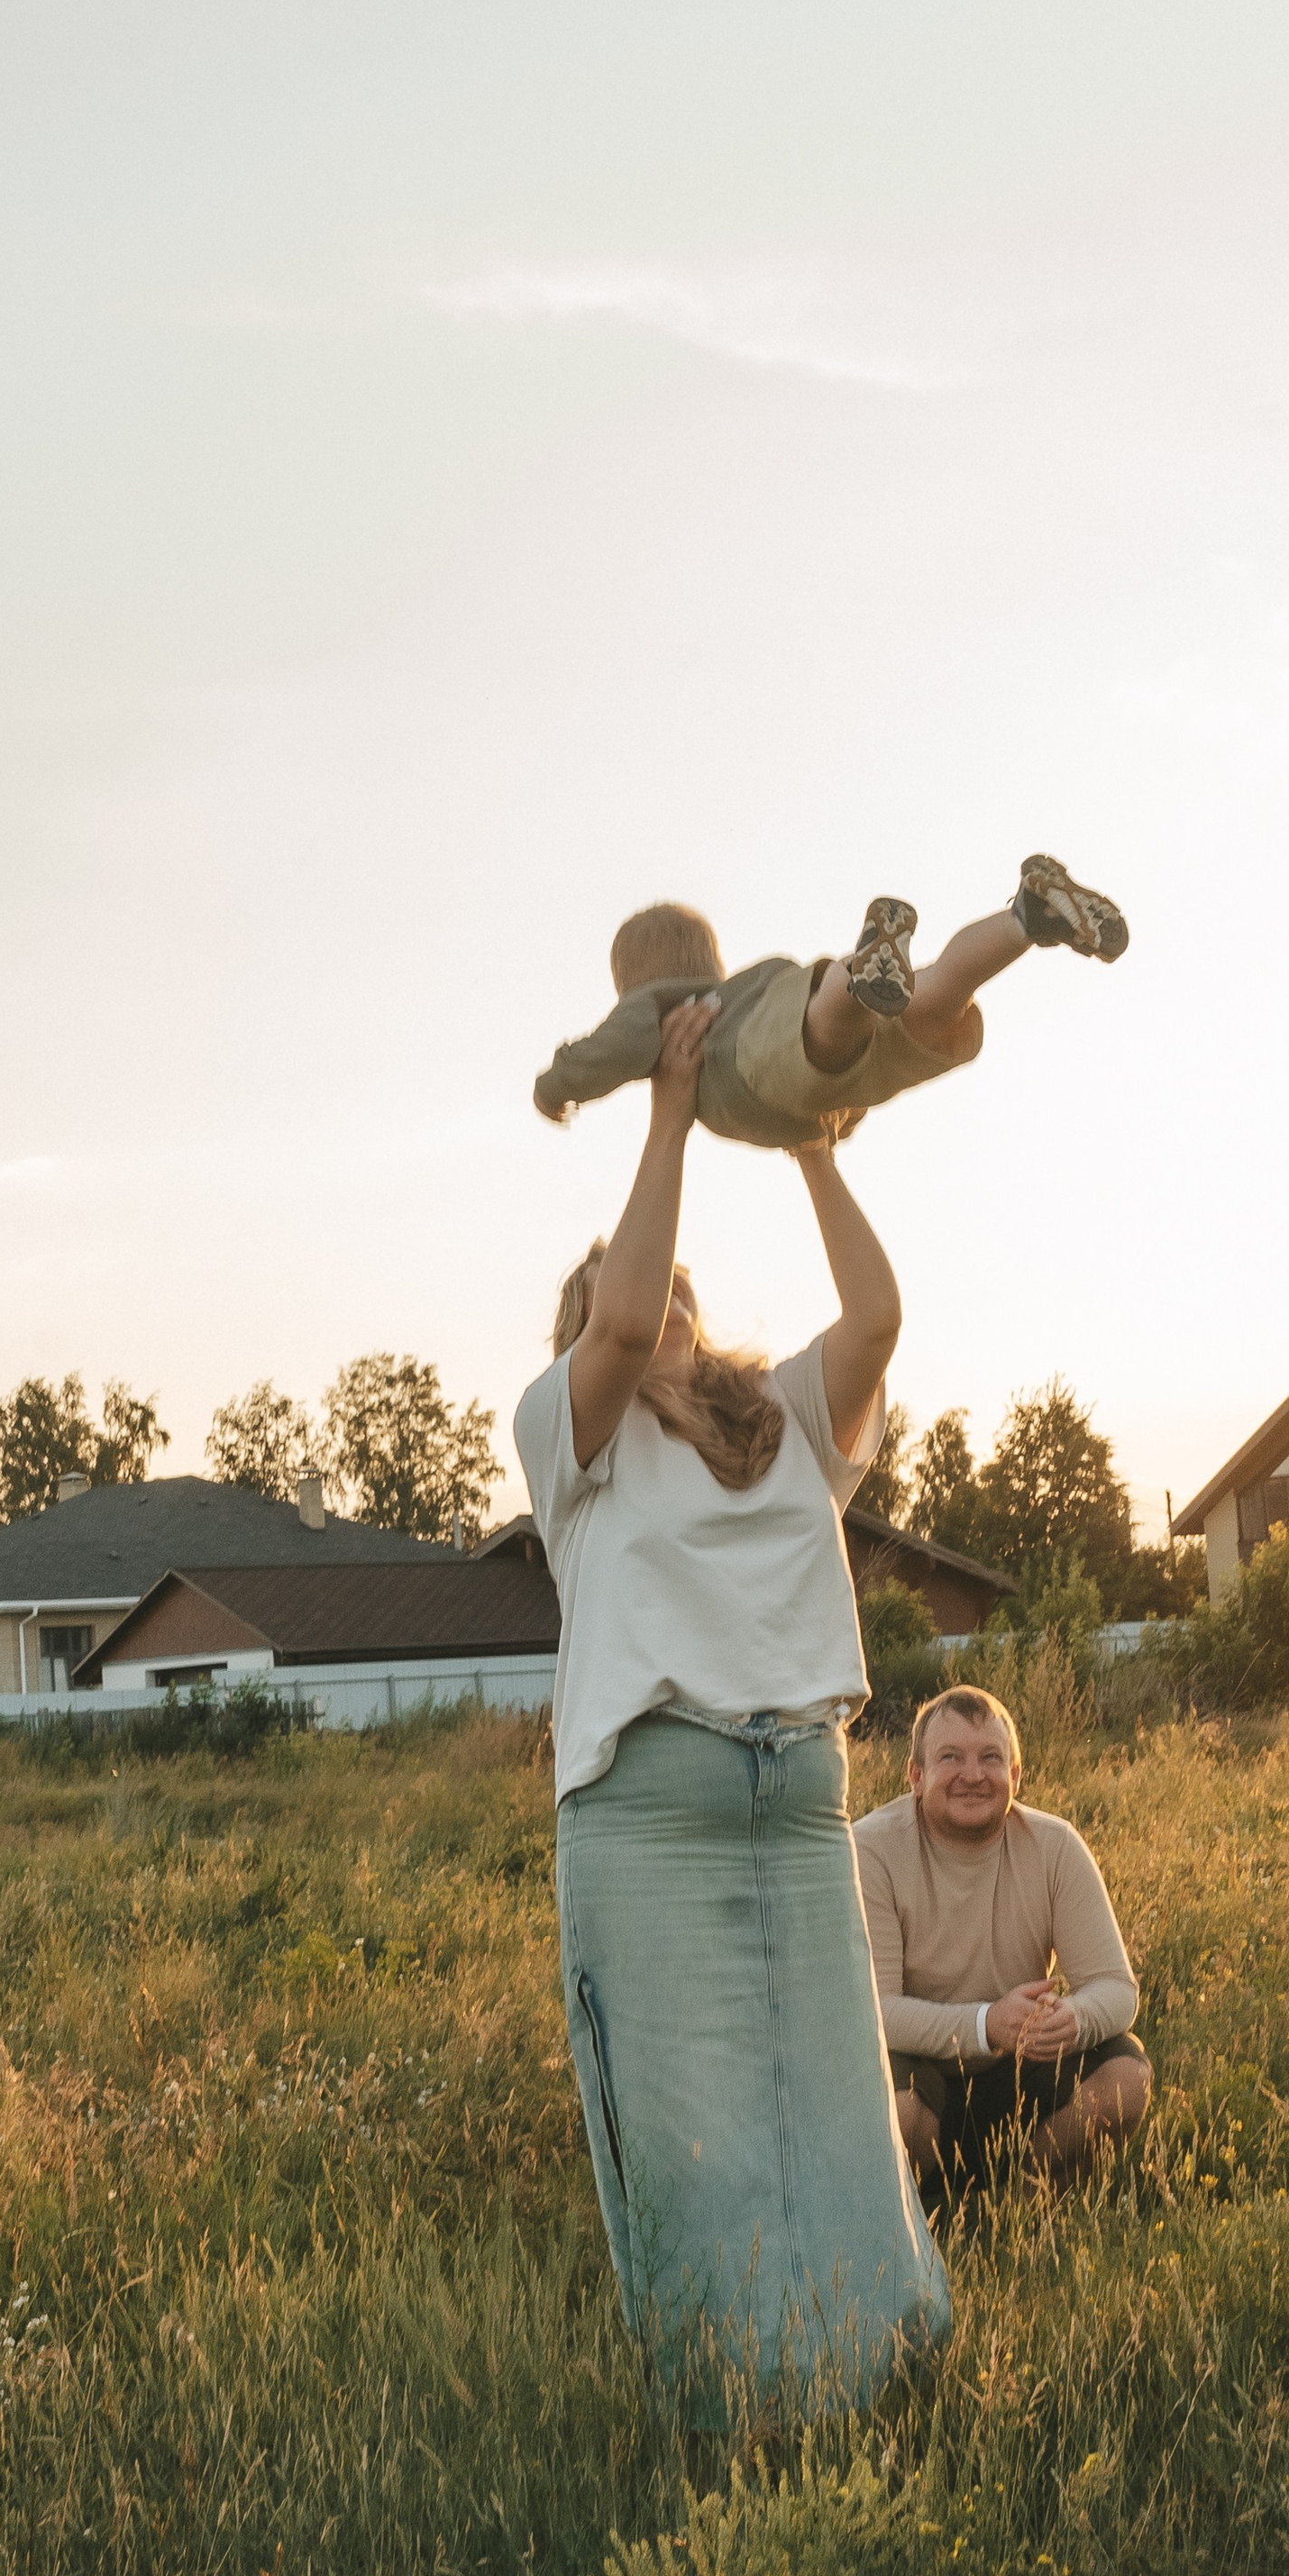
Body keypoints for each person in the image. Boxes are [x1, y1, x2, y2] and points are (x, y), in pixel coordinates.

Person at [512, 993, 946, 2405]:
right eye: (626, 1310)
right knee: (700, 2137)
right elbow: (626, 1311)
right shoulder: (571, 1439)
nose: (655, 1316)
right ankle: (729, 2396)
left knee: (831, 2114)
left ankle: (874, 2367)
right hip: (653, 1811)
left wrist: (814, 1142)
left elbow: (878, 1311)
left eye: (683, 1298)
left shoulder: (787, 1425)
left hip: (797, 1798)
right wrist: (671, 1111)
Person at [533, 854, 1129, 1147]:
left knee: (826, 1029)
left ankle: (864, 967)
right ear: (712, 960)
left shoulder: (666, 1008)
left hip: (752, 1061)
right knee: (942, 988)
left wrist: (554, 1088)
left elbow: (609, 1050)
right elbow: (841, 1116)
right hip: (822, 1053)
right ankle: (1026, 918)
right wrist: (838, 1124)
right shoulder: (736, 988)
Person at [855, 1684, 1151, 2203]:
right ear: (916, 1776)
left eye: (991, 1758)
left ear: (1015, 1775)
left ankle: (1018, 2203)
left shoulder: (1055, 1845)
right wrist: (986, 2024)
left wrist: (1073, 2019)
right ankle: (938, 2206)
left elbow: (1116, 1988)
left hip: (1021, 2067)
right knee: (886, 2105)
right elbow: (872, 2011)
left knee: (1128, 2075)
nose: (973, 1775)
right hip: (925, 2080)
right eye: (951, 1757)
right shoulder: (870, 1850)